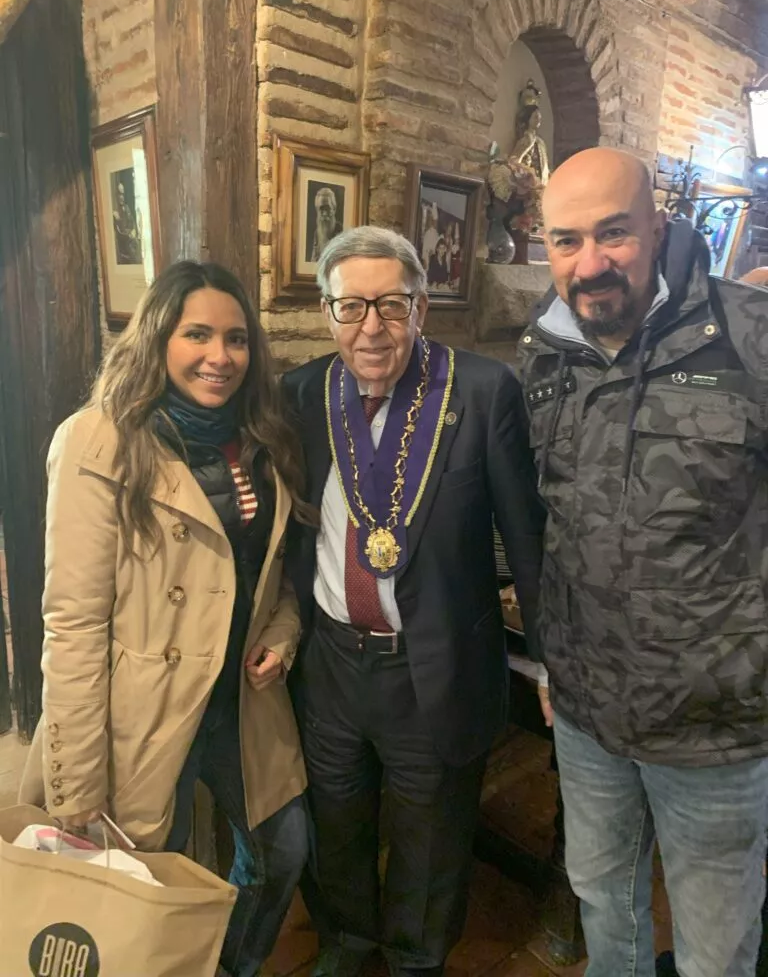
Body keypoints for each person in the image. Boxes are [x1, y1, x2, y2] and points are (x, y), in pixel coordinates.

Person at [20, 260, 312, 977]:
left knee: (284, 850)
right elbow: (74, 623)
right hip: (140, 711)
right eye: (198, 334)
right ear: (158, 338)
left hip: (240, 698)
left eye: (237, 339)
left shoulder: (263, 436)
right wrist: (77, 783)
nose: (220, 356)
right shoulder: (98, 441)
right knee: (148, 881)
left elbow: (274, 574)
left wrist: (282, 632)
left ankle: (228, 966)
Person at [518, 146, 768, 977]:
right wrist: (551, 665)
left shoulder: (748, 336)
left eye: (613, 234)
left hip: (716, 724)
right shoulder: (546, 357)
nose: (590, 264)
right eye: (565, 241)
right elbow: (556, 523)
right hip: (588, 714)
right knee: (603, 902)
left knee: (714, 944)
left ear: (658, 228)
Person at [283, 226, 544, 977]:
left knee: (431, 839)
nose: (372, 327)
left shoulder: (485, 391)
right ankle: (346, 942)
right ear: (327, 312)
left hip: (431, 666)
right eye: (352, 306)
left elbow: (526, 540)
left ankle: (416, 959)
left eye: (392, 306)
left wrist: (553, 661)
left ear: (421, 309)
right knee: (336, 819)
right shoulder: (303, 394)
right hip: (331, 665)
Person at [312, 187, 344, 260]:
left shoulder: (342, 232)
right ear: (317, 211)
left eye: (327, 208)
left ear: (334, 209)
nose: (325, 213)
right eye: (321, 209)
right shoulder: (317, 233)